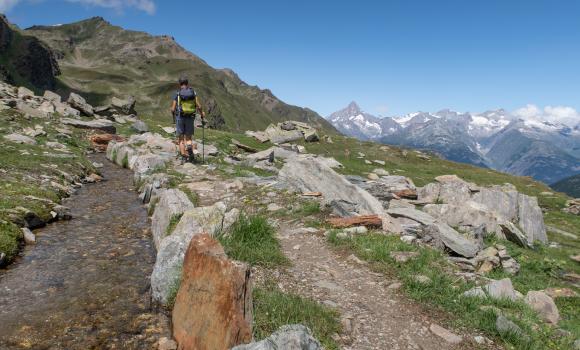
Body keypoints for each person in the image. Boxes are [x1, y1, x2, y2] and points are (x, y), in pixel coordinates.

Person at [170, 76, 205, 163]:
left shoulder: (177, 93)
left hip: (180, 117)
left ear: (180, 84)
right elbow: (199, 106)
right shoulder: (193, 93)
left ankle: (184, 157)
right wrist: (202, 114)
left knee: (181, 139)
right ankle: (190, 150)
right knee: (188, 138)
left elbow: (172, 109)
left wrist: (173, 115)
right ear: (187, 83)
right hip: (190, 117)